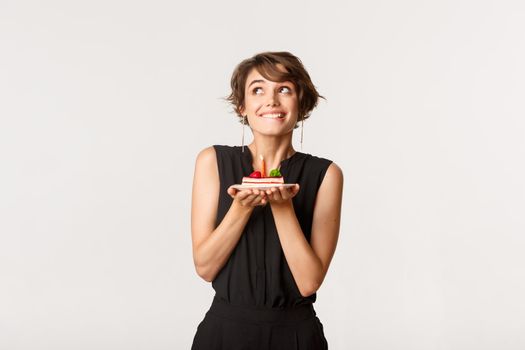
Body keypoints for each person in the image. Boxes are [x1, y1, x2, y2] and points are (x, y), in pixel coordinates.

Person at [190, 51, 343, 350]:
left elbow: (309, 282)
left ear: (302, 103)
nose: (271, 100)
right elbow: (205, 267)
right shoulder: (212, 161)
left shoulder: (326, 174)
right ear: (242, 106)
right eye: (258, 89)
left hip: (296, 335)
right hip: (224, 332)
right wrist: (241, 207)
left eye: (284, 89)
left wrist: (282, 206)